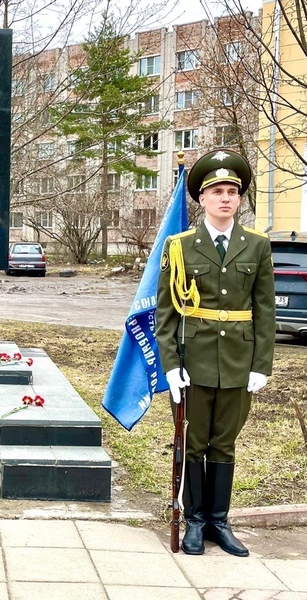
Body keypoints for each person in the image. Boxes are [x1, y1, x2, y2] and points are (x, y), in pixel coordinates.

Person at [156, 149, 275, 557]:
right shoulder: (179, 246)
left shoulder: (257, 246)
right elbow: (166, 313)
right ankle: (195, 522)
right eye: (217, 191)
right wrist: (170, 366)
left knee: (224, 444)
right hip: (195, 362)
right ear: (202, 199)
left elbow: (265, 309)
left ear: (239, 199)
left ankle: (219, 523)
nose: (226, 198)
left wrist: (262, 365)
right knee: (194, 444)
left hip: (239, 363)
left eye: (232, 191)